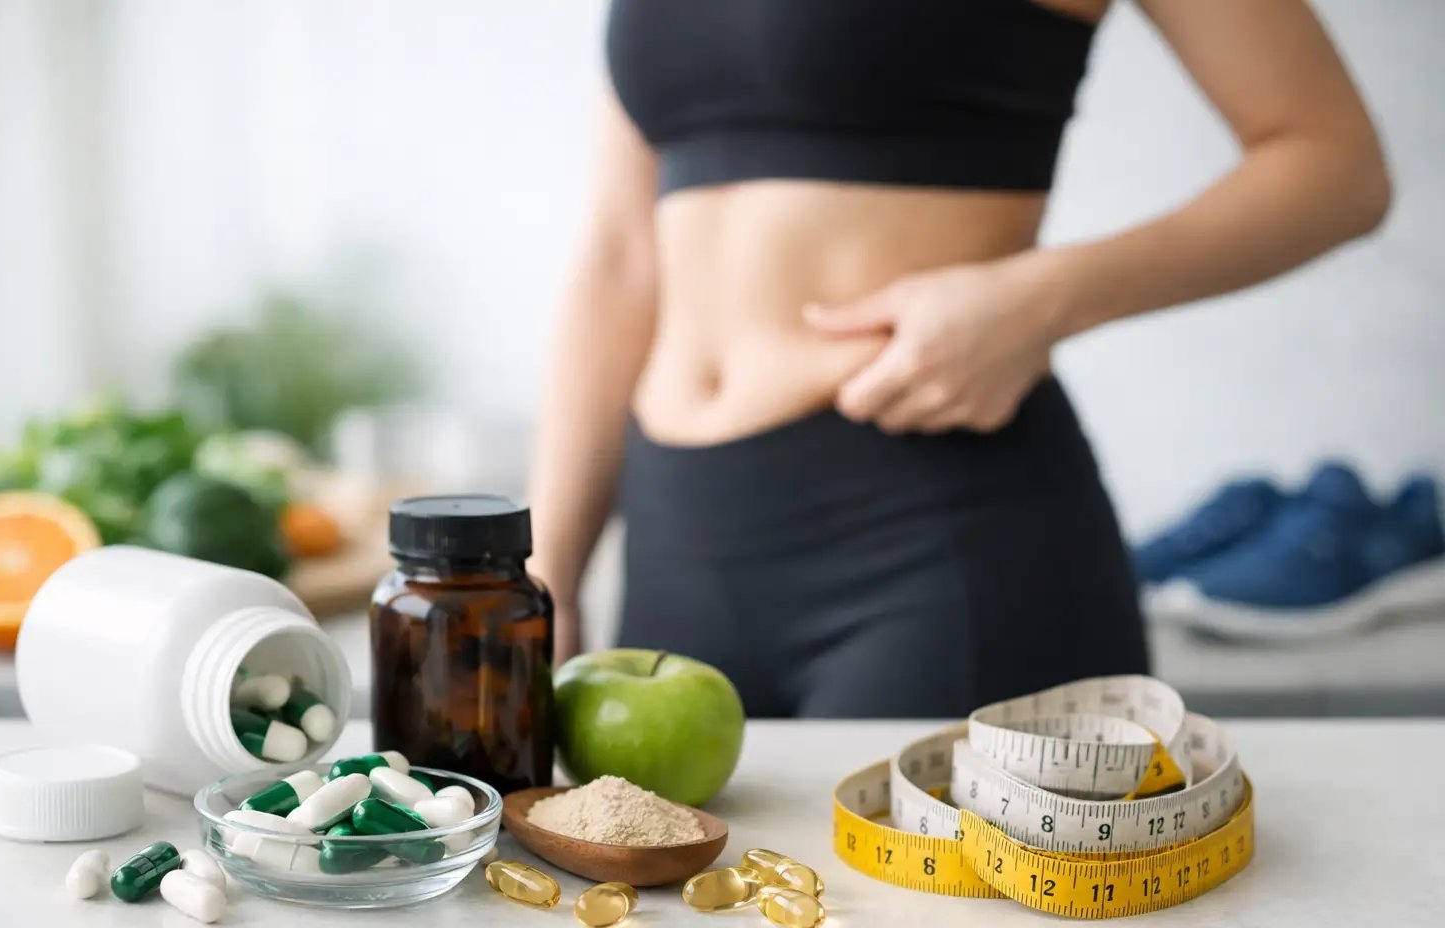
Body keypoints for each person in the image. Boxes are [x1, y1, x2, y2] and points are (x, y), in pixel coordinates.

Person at [527, 0, 1390, 717]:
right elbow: (621, 251)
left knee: (945, 924)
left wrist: (1041, 299)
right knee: (686, 923)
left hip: (931, 539)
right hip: (676, 542)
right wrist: (543, 571)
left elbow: (1335, 164)